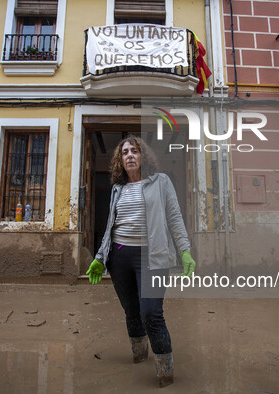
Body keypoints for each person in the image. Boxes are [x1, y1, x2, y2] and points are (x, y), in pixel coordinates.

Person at [86, 135, 196, 388]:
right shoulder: (118, 189)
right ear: (120, 160)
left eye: (134, 151)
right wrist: (100, 257)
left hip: (153, 257)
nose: (129, 155)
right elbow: (111, 226)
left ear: (143, 156)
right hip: (119, 256)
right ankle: (139, 354)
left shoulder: (161, 182)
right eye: (124, 152)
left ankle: (165, 372)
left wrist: (185, 251)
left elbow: (174, 218)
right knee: (132, 311)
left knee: (151, 314)